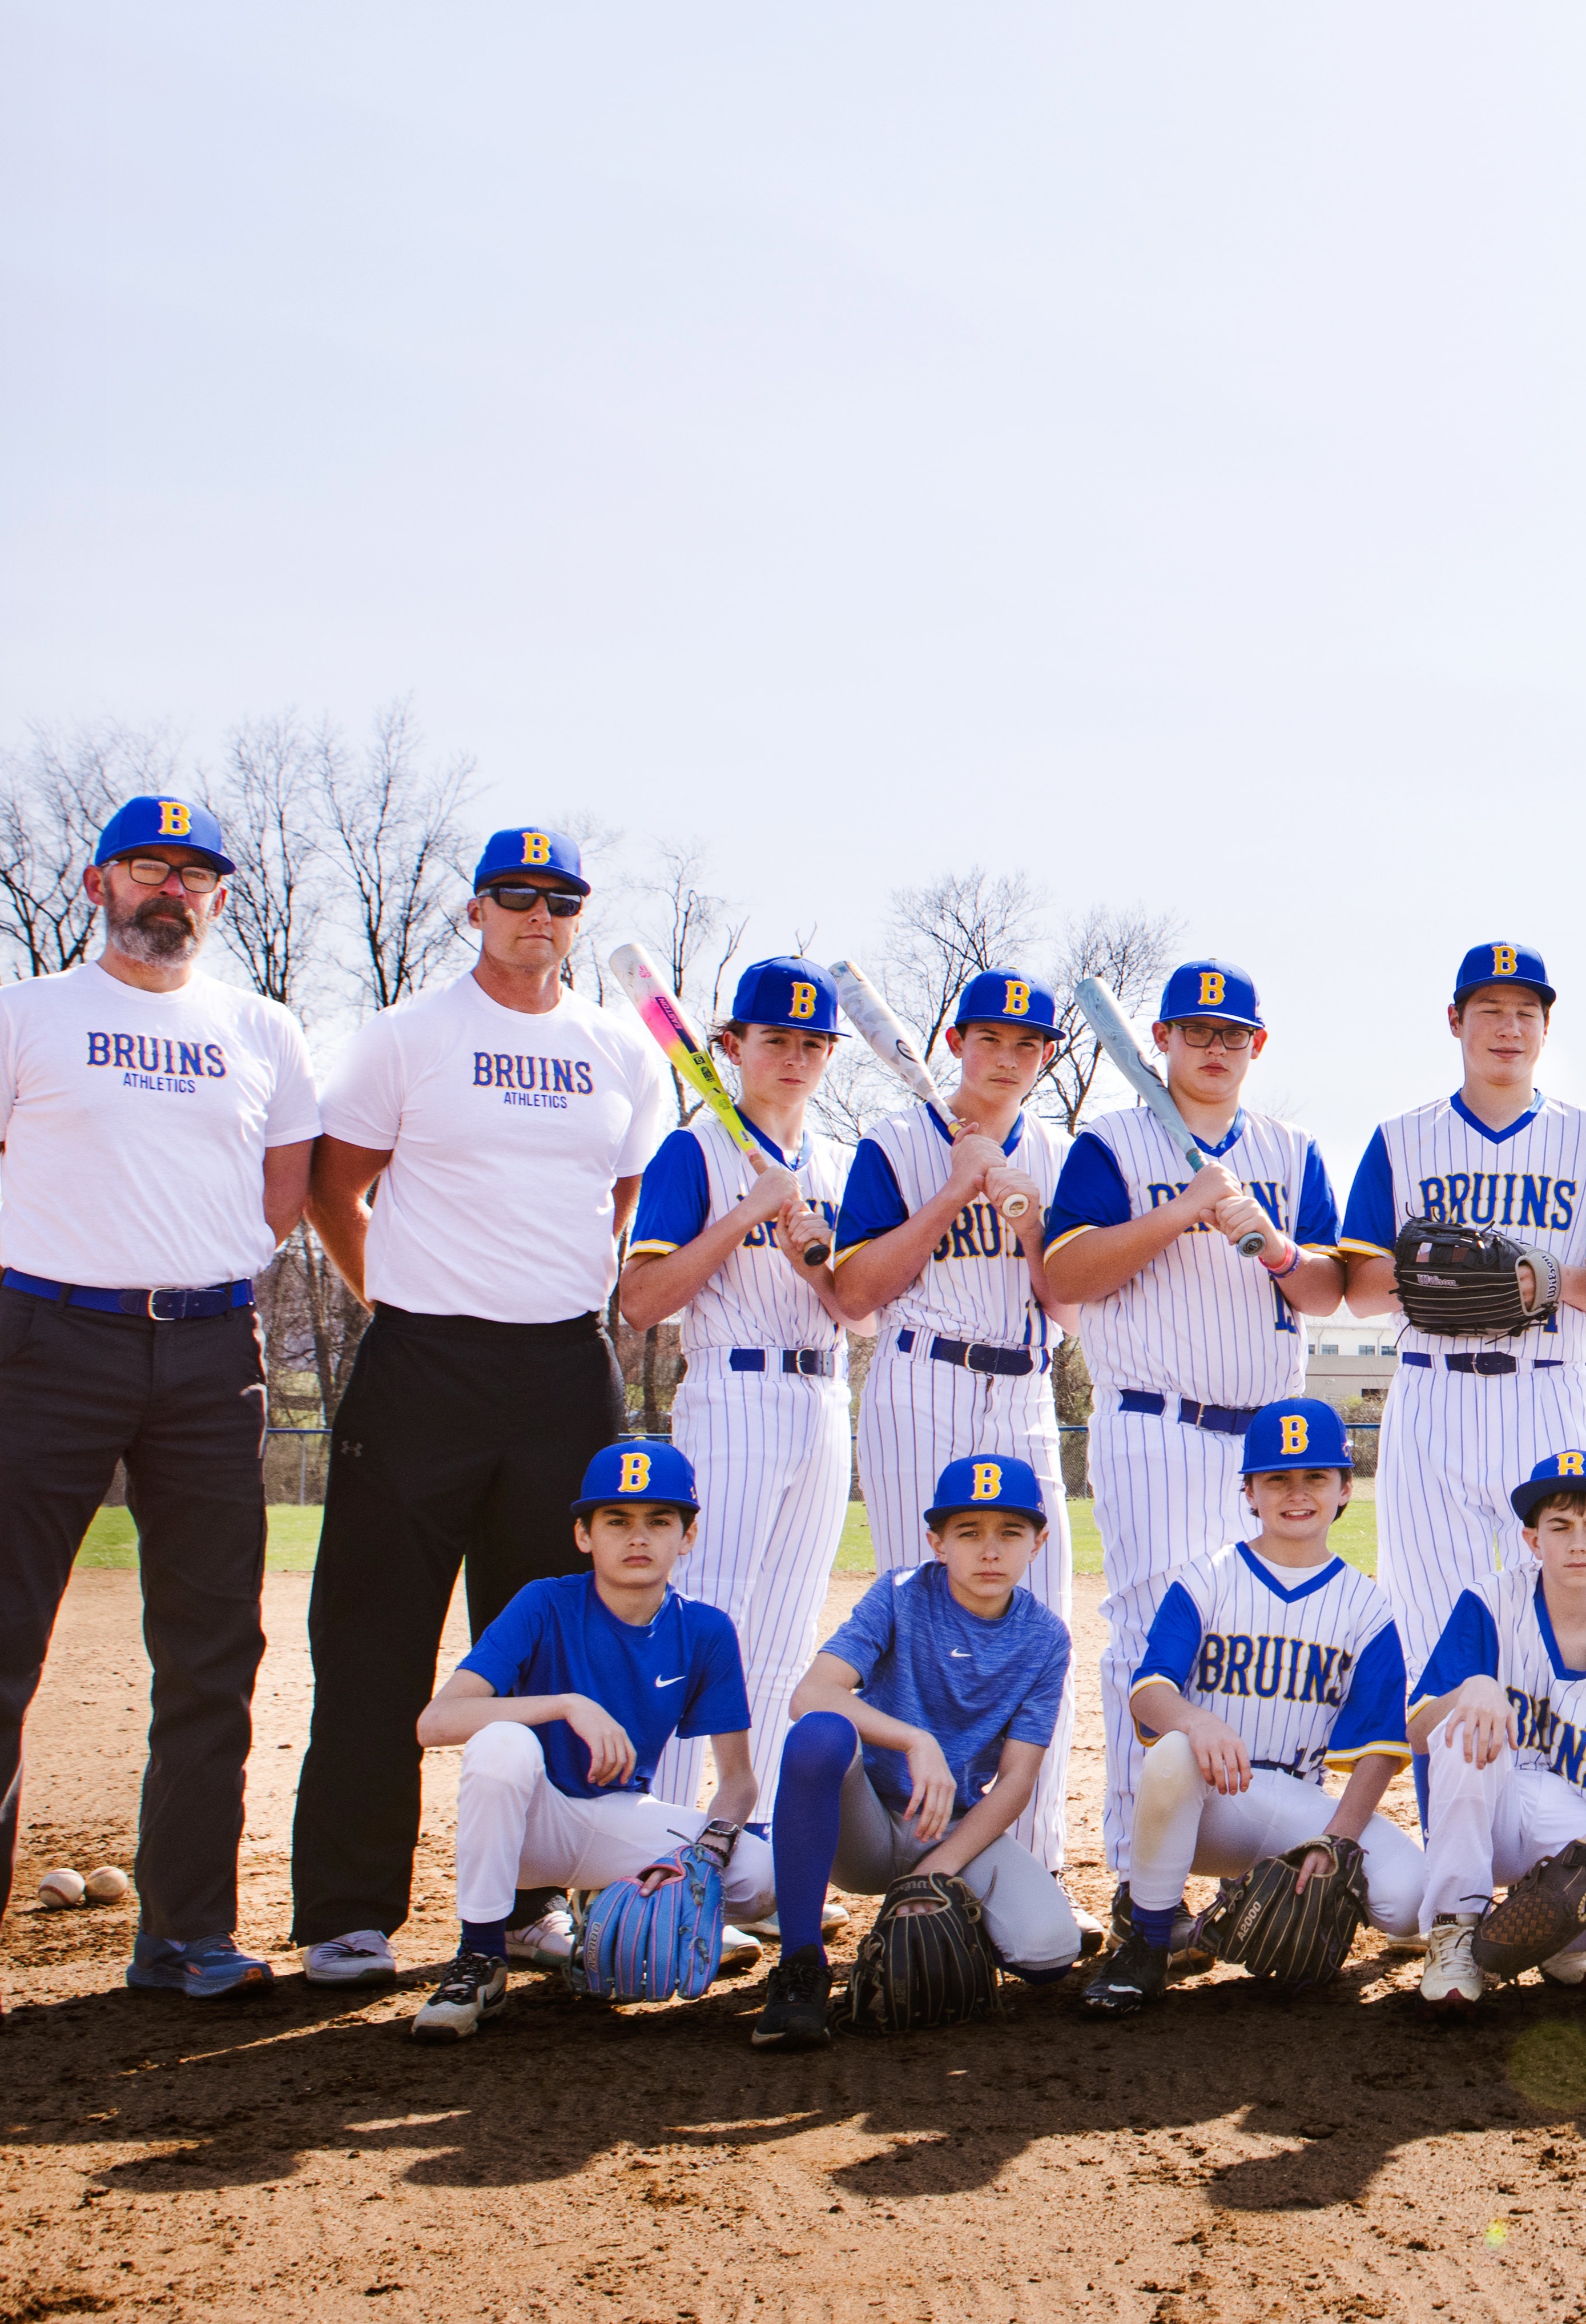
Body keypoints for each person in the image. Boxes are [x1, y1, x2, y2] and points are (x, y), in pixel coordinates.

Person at [0, 793, 319, 2031]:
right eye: (149, 866)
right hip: (49, 1334)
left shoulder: (262, 1028)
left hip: (206, 1349)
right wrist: (26, 1307)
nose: (171, 890)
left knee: (212, 1653)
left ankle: (187, 1929)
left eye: (196, 875)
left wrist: (192, 1275)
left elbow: (279, 1197)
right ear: (98, 883)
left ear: (222, 899)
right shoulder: (23, 1015)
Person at [292, 825, 671, 1990]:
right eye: (515, 895)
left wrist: (543, 1298)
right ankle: (349, 1913)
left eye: (561, 900)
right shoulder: (408, 1036)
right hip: (422, 1369)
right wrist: (398, 1301)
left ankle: (520, 1905)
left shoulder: (620, 1052)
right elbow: (330, 1185)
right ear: (475, 912)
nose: (538, 915)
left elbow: (615, 1201)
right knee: (375, 1642)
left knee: (544, 1641)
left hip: (561, 1367)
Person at [1036, 959, 1343, 1876]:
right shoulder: (1115, 1143)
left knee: (1262, 1643)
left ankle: (1256, 1862)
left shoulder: (1290, 1150)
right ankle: (1143, 1880)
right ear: (1161, 1039)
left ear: (1257, 1045)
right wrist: (1184, 1210)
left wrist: (1278, 1247)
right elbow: (1065, 1276)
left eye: (1231, 1032)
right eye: (1195, 1029)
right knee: (1153, 1641)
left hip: (1267, 1442)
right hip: (1155, 1424)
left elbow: (1326, 1291)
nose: (1214, 1046)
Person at [830, 969, 1082, 1865]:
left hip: (1024, 1385)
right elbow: (854, 1290)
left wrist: (1025, 1221)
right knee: (913, 1612)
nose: (1007, 1057)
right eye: (990, 1039)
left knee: (1040, 1614)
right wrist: (950, 1193)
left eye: (1027, 1044)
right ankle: (912, 1857)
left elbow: (1070, 1307)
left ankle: (1036, 1857)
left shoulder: (1059, 1151)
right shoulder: (895, 1140)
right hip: (920, 1376)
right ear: (954, 1044)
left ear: (1047, 1057)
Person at [401, 1440, 775, 2040]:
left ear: (687, 1536)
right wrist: (568, 1705)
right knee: (502, 1741)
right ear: (584, 1535)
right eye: (617, 1521)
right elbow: (435, 1722)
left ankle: (610, 1904)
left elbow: (738, 1779)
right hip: (526, 1825)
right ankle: (479, 1958)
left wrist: (703, 1856)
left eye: (659, 1521)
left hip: (614, 1820)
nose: (638, 1537)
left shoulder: (705, 1629)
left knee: (761, 1874)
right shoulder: (544, 1601)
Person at [1333, 943, 1586, 1679]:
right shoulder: (1401, 1137)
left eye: (1526, 1011)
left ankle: (1551, 1792)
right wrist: (1440, 1283)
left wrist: (1537, 1281)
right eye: (1490, 1010)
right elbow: (1360, 1286)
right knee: (1431, 1624)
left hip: (1548, 1386)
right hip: (1433, 1391)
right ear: (1456, 1020)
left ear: (1546, 1028)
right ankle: (1449, 1796)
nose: (1508, 1026)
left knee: (1559, 1611)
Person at [1085, 1398, 1427, 2013]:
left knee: (1409, 1898)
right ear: (1249, 1490)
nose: (1296, 1493)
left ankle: (1228, 1919)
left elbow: (1380, 1745)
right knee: (1171, 1755)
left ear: (1345, 1487)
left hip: (1295, 1805)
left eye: (1315, 1477)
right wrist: (1194, 1720)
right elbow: (1148, 1691)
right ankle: (1145, 1942)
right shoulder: (1206, 1577)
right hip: (1203, 1806)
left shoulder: (1366, 1604)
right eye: (1277, 1478)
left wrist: (1335, 1841)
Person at [749, 1453, 1097, 2050]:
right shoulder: (898, 1594)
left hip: (949, 1828)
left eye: (1010, 1532)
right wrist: (916, 1738)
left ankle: (948, 1931)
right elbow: (811, 1693)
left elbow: (1016, 1779)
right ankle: (802, 1965)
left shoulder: (1044, 1637)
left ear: (1038, 1542)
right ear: (937, 1542)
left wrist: (936, 1873)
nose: (990, 1550)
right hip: (862, 1823)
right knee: (819, 1734)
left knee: (1049, 1953)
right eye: (969, 1532)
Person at [614, 956, 856, 1809]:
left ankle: (749, 1849)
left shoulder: (842, 1162)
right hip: (732, 1392)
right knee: (702, 1622)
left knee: (786, 1639)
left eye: (812, 1042)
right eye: (774, 1038)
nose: (794, 1056)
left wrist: (814, 1260)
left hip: (825, 1399)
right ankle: (668, 1847)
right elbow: (641, 1301)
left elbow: (860, 1317)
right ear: (732, 1046)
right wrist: (747, 1215)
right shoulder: (694, 1149)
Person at [1406, 1452, 1586, 2007]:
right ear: (1533, 1539)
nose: (1577, 1542)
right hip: (1487, 1814)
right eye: (1559, 1526)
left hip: (1570, 1828)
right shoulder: (1488, 1602)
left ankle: (1559, 1933)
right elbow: (1419, 1731)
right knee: (1467, 1730)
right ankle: (1454, 1928)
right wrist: (1470, 1691)